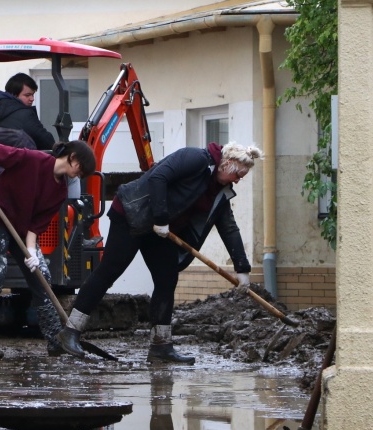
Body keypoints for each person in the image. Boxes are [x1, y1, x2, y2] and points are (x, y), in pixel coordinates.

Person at [58, 141, 263, 364]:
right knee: (108, 272)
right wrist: (162, 218)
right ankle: (70, 332)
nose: (238, 181)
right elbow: (158, 178)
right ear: (229, 164)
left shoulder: (219, 192)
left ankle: (161, 346)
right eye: (239, 175)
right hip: (132, 215)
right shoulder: (195, 158)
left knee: (167, 279)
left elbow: (229, 228)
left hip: (160, 230)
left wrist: (242, 268)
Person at [0, 140, 97, 358]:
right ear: (73, 158)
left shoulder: (59, 191)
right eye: (81, 169)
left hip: (21, 229)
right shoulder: (33, 159)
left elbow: (36, 225)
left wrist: (31, 251)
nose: (79, 175)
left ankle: (54, 340)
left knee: (42, 276)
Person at [0, 72, 55, 151]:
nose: (32, 99)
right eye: (27, 95)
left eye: (32, 95)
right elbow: (47, 141)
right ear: (14, 95)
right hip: (20, 161)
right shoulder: (25, 114)